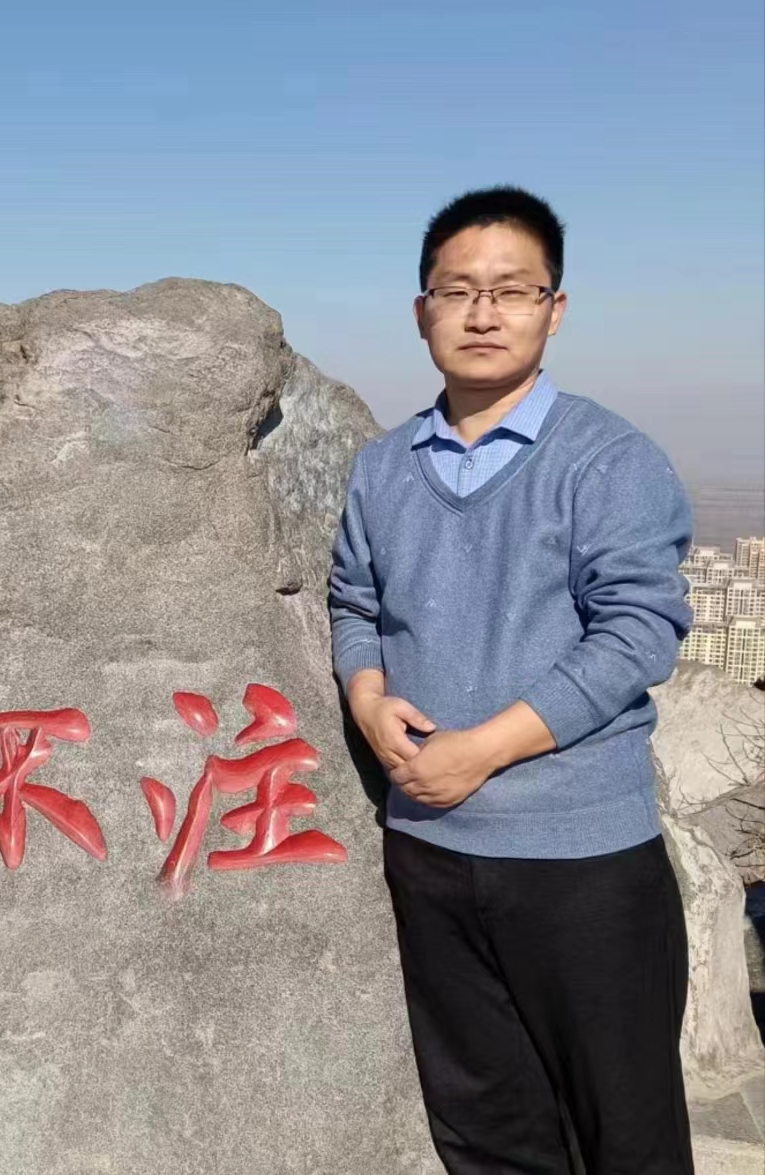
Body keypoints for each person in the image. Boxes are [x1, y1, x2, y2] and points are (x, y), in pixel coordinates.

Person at [329, 186, 696, 1174]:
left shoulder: (606, 460)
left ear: (553, 308)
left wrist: (480, 751)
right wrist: (365, 696)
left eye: (510, 290)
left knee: (623, 1132)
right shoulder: (379, 468)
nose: (481, 313)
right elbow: (353, 602)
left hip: (580, 861)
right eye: (456, 291)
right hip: (427, 853)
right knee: (485, 1128)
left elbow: (637, 632)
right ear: (422, 312)